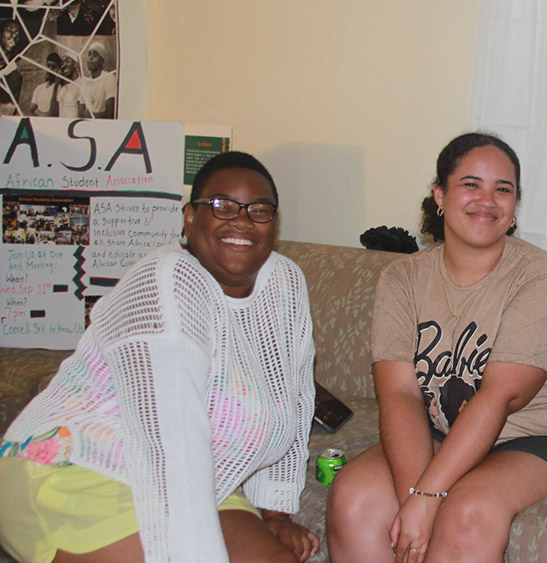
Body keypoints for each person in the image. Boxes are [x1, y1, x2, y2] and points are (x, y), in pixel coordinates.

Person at [0, 151, 320, 562]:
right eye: (222, 206)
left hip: (206, 482)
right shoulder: (167, 281)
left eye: (259, 210)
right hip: (79, 466)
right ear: (190, 216)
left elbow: (291, 399)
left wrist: (274, 511)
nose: (242, 221)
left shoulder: (285, 282)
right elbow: (171, 438)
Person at [326, 132, 547, 562]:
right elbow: (400, 393)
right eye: (471, 184)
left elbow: (500, 395)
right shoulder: (402, 279)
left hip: (544, 438)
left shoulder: (540, 276)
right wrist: (414, 500)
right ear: (440, 195)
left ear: (514, 207)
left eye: (503, 189)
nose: (487, 200)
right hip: (446, 434)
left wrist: (429, 495)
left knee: (465, 512)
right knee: (354, 495)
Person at [80, 41, 115, 118]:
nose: (90, 58)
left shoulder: (109, 78)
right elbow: (81, 113)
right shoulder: (85, 82)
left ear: (102, 61)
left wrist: (93, 116)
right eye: (89, 54)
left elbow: (110, 113)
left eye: (95, 55)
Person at [1, 19, 25, 116]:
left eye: (17, 33)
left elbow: (8, 110)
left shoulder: (14, 74)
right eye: (9, 31)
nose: (13, 35)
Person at [28, 52, 61, 116]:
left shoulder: (60, 88)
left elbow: (52, 114)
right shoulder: (39, 88)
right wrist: (44, 114)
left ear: (58, 69)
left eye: (53, 67)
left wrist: (37, 111)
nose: (50, 69)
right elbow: (31, 109)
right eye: (48, 65)